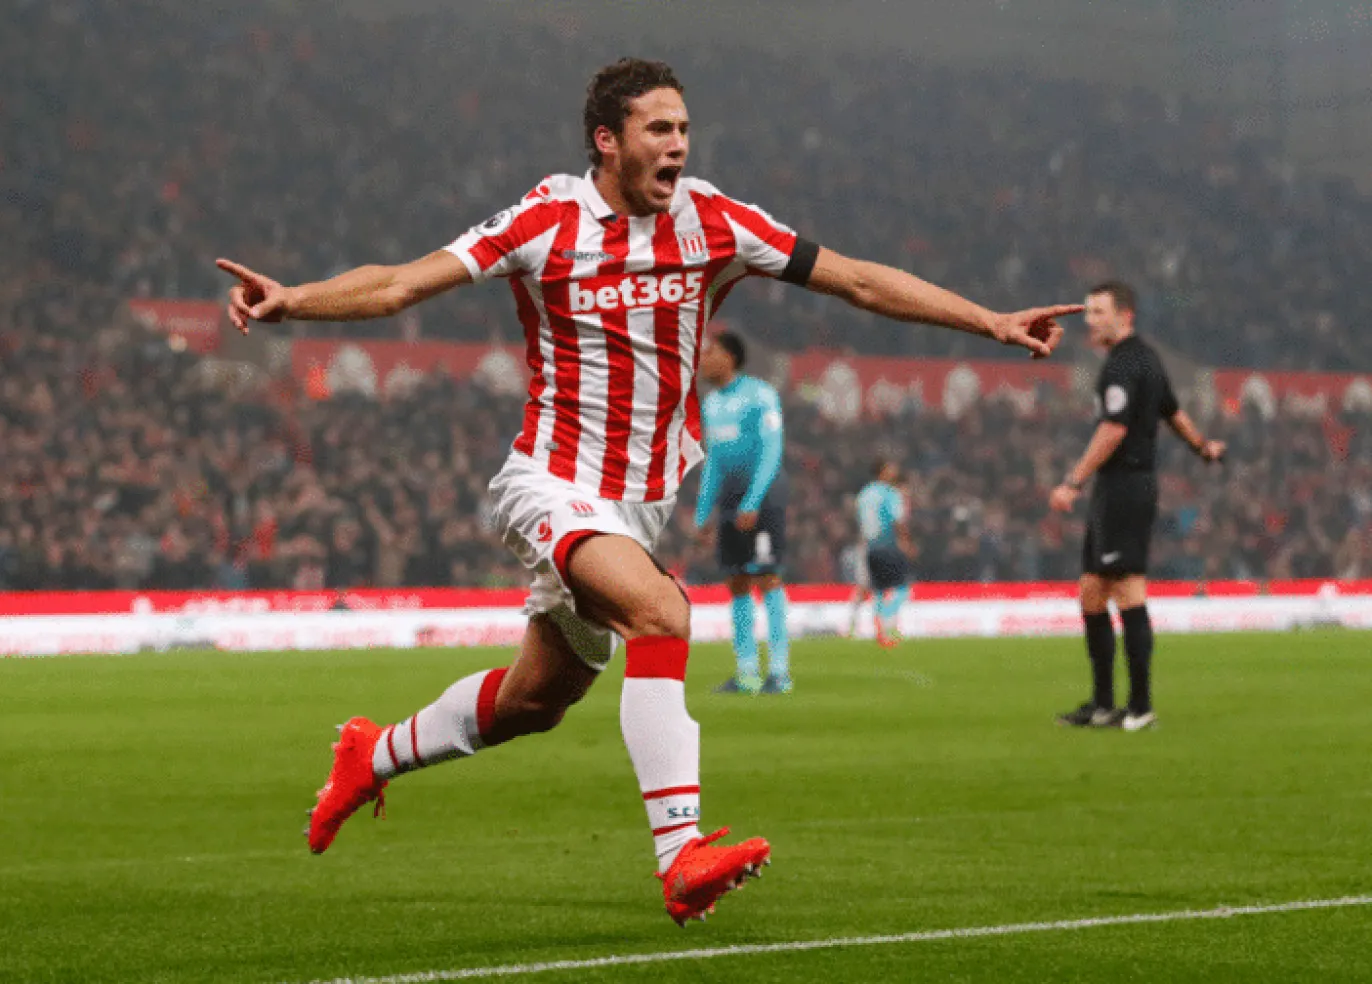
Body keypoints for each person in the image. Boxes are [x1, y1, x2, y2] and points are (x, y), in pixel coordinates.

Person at [218, 57, 1079, 925]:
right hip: (550, 480)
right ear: (608, 140)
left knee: (535, 702)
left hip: (636, 504)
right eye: (659, 129)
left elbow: (854, 277)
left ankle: (373, 756)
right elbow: (403, 281)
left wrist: (989, 320)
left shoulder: (714, 221)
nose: (678, 145)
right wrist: (293, 301)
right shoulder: (548, 218)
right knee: (663, 616)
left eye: (684, 129)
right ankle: (681, 855)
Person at [1050, 281, 1224, 732]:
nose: (1089, 320)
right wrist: (1203, 447)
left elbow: (1114, 430)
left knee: (1127, 588)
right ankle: (1105, 703)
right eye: (1087, 312)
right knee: (1091, 591)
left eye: (1097, 312)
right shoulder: (1146, 358)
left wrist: (1072, 481)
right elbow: (1172, 410)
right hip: (1117, 488)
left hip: (1126, 486)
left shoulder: (1124, 366)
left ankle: (1141, 707)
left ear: (1124, 315)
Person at [692, 331, 791, 695]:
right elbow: (715, 461)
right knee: (735, 581)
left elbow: (771, 450)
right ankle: (746, 672)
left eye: (710, 353)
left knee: (768, 577)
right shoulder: (713, 403)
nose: (703, 360)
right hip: (731, 498)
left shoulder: (760, 395)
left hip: (764, 495)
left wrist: (753, 501)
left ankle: (779, 672)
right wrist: (704, 512)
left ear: (730, 357)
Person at [847, 460, 913, 646]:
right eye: (891, 468)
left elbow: (860, 518)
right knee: (902, 589)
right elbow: (897, 520)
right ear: (882, 471)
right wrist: (907, 542)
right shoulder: (890, 493)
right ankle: (884, 618)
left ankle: (880, 631)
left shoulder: (864, 494)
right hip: (888, 546)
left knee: (878, 590)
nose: (895, 470)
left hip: (870, 547)